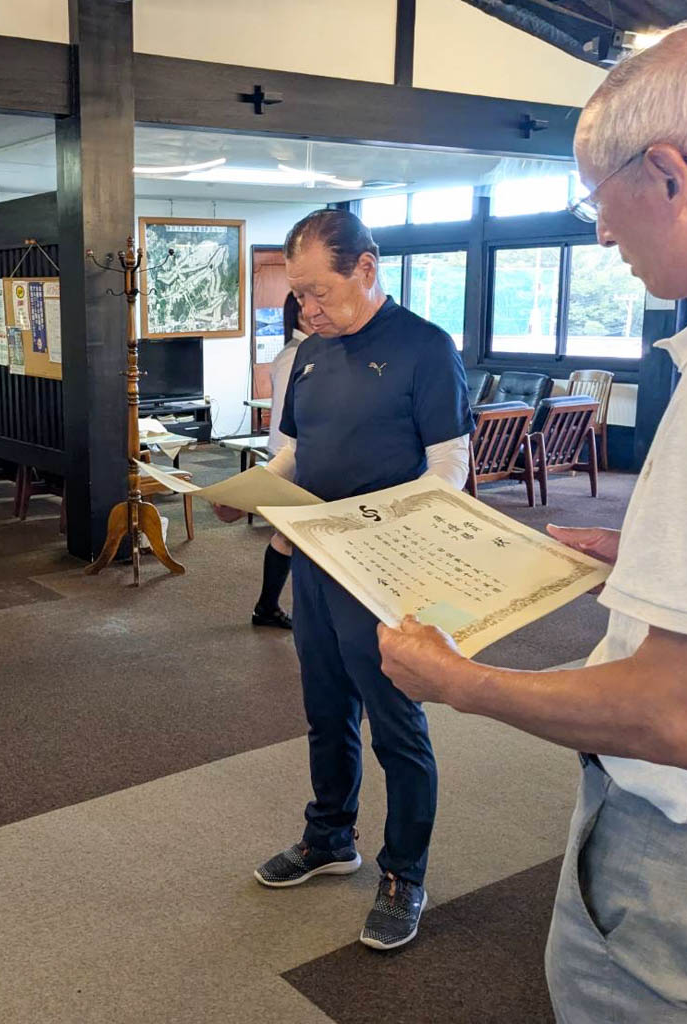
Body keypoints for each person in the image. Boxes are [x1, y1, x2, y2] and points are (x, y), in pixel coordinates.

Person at [377, 21, 687, 1021]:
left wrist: (459, 683)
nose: (599, 235)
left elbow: (677, 713)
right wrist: (650, 557)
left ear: (670, 175)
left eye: (596, 202)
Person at [217, 208, 472, 949]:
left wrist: (382, 531)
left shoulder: (425, 347)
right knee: (327, 711)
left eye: (318, 292)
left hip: (387, 574)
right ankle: (329, 837)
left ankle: (404, 873)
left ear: (366, 269)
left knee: (396, 725)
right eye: (298, 294)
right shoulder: (309, 354)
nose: (307, 308)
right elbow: (296, 453)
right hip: (318, 563)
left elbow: (450, 469)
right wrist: (251, 493)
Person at [250, 292, 313, 629]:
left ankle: (267, 606)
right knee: (291, 535)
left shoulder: (302, 351)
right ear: (299, 314)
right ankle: (268, 606)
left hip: (292, 453)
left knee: (289, 534)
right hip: (291, 456)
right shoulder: (297, 355)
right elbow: (295, 417)